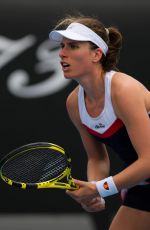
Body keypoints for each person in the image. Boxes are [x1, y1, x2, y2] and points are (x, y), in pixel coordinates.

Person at [49, 14, 150, 229]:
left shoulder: (123, 90)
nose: (61, 53)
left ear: (96, 55)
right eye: (62, 45)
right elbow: (97, 158)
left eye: (73, 46)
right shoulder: (74, 104)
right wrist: (92, 190)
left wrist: (100, 188)